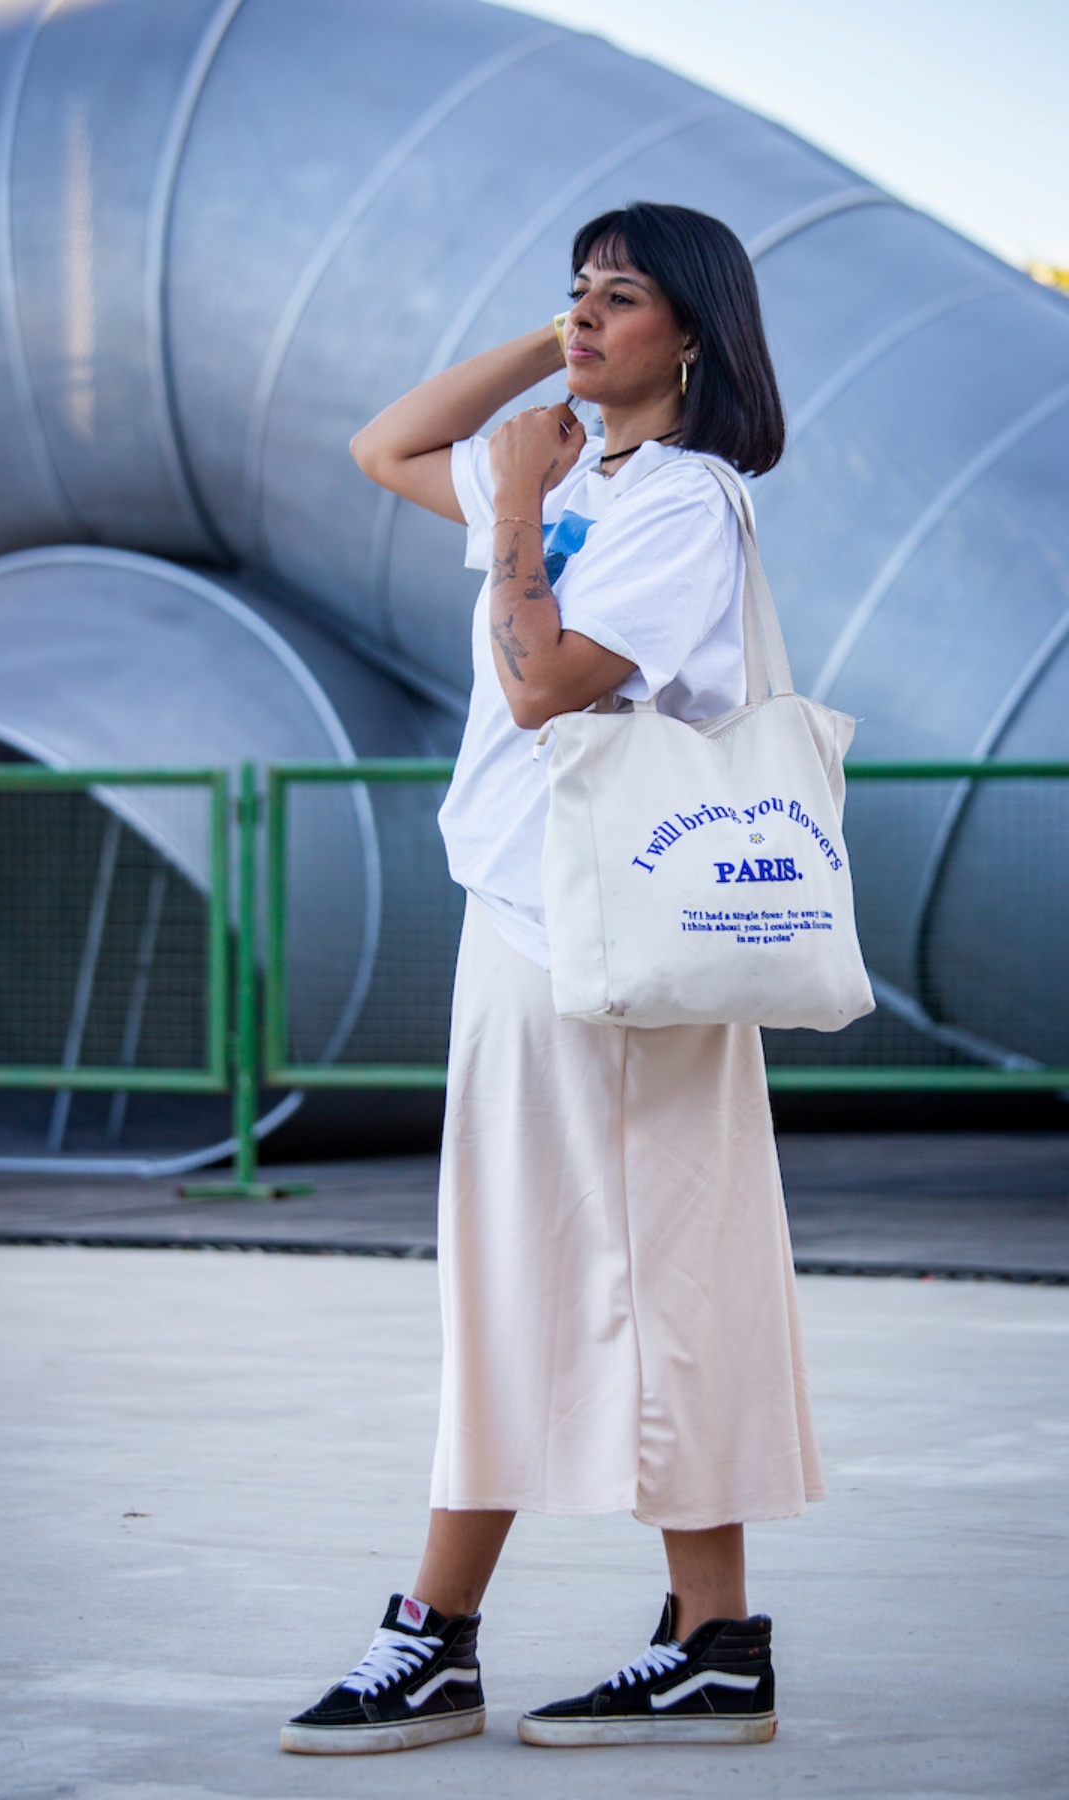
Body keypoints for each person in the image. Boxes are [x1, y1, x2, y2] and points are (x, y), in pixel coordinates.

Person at [280, 201, 824, 1757]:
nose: (586, 315)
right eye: (575, 291)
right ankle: (708, 1642)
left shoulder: (682, 504)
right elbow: (386, 443)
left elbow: (541, 687)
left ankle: (437, 1635)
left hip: (604, 932)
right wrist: (552, 368)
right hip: (535, 918)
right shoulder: (586, 466)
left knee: (571, 1270)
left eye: (623, 298)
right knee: (609, 1267)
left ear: (698, 337)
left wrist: (519, 502)